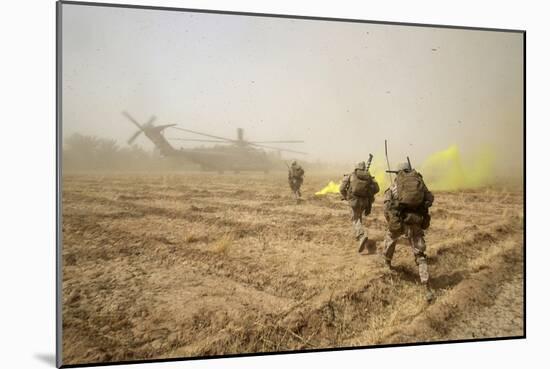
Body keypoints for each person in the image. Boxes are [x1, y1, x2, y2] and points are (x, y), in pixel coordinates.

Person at [382, 162, 435, 301]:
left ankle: (387, 263)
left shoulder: (395, 186)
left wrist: (392, 221)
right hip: (417, 221)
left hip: (402, 221)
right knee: (420, 255)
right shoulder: (419, 183)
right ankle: (427, 287)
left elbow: (387, 206)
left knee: (390, 238)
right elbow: (430, 199)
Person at [339, 161, 380, 253]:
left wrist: (346, 196)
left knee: (355, 220)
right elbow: (377, 189)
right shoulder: (369, 177)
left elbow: (341, 188)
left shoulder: (350, 175)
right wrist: (368, 194)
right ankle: (359, 235)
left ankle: (361, 235)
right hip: (365, 202)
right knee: (358, 217)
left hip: (354, 201)